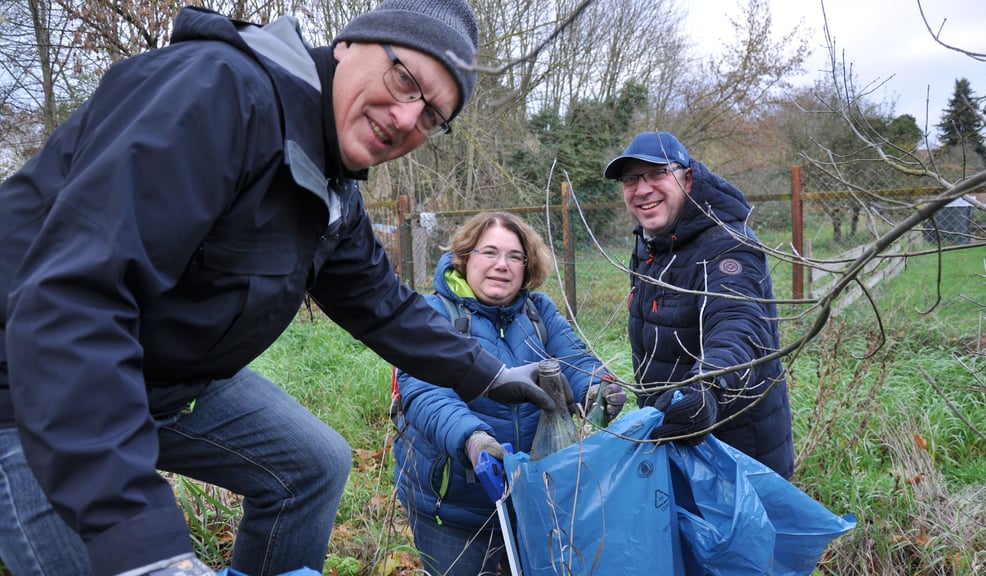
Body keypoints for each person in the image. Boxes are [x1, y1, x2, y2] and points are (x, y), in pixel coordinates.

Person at [0, 2, 566, 576]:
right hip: (31, 385)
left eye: (430, 117)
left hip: (163, 381)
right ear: (349, 43)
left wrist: (489, 373)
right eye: (405, 80)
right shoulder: (218, 94)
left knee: (313, 465)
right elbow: (72, 299)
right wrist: (143, 546)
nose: (405, 119)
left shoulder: (331, 185)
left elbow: (383, 307)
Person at [391, 212, 627, 576]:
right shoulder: (431, 314)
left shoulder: (538, 312)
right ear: (465, 257)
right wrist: (473, 439)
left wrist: (598, 388)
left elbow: (576, 361)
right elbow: (426, 394)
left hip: (535, 498)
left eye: (514, 256)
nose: (502, 265)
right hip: (456, 507)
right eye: (489, 252)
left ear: (527, 265)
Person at [603, 131, 795, 478]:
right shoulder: (651, 244)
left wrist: (706, 387)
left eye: (657, 174)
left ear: (687, 178)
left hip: (736, 454)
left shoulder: (727, 245)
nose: (642, 189)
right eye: (631, 179)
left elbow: (739, 325)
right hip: (677, 439)